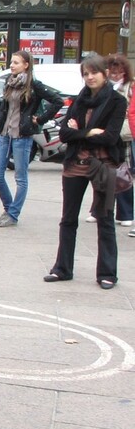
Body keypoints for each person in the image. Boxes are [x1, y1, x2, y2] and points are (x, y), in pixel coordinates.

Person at [44, 56, 127, 289]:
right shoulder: (79, 100)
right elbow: (64, 134)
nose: (90, 77)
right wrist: (90, 133)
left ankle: (107, 273)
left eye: (94, 72)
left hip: (104, 164)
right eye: (86, 73)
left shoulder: (116, 101)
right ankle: (62, 268)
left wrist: (79, 132)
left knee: (105, 218)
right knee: (68, 219)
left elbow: (111, 136)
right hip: (75, 164)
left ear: (105, 73)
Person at [0, 50, 64, 227]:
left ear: (26, 65)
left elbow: (57, 101)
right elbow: (5, 108)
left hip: (22, 136)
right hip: (5, 134)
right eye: (11, 62)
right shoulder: (10, 81)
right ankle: (9, 208)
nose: (11, 65)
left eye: (16, 62)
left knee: (20, 177)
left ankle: (13, 214)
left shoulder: (34, 85)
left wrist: (40, 119)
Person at [87, 54, 133, 228]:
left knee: (122, 174)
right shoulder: (103, 89)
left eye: (118, 72)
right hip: (104, 135)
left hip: (123, 136)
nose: (115, 76)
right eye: (112, 72)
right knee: (101, 174)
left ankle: (126, 212)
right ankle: (98, 210)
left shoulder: (129, 87)